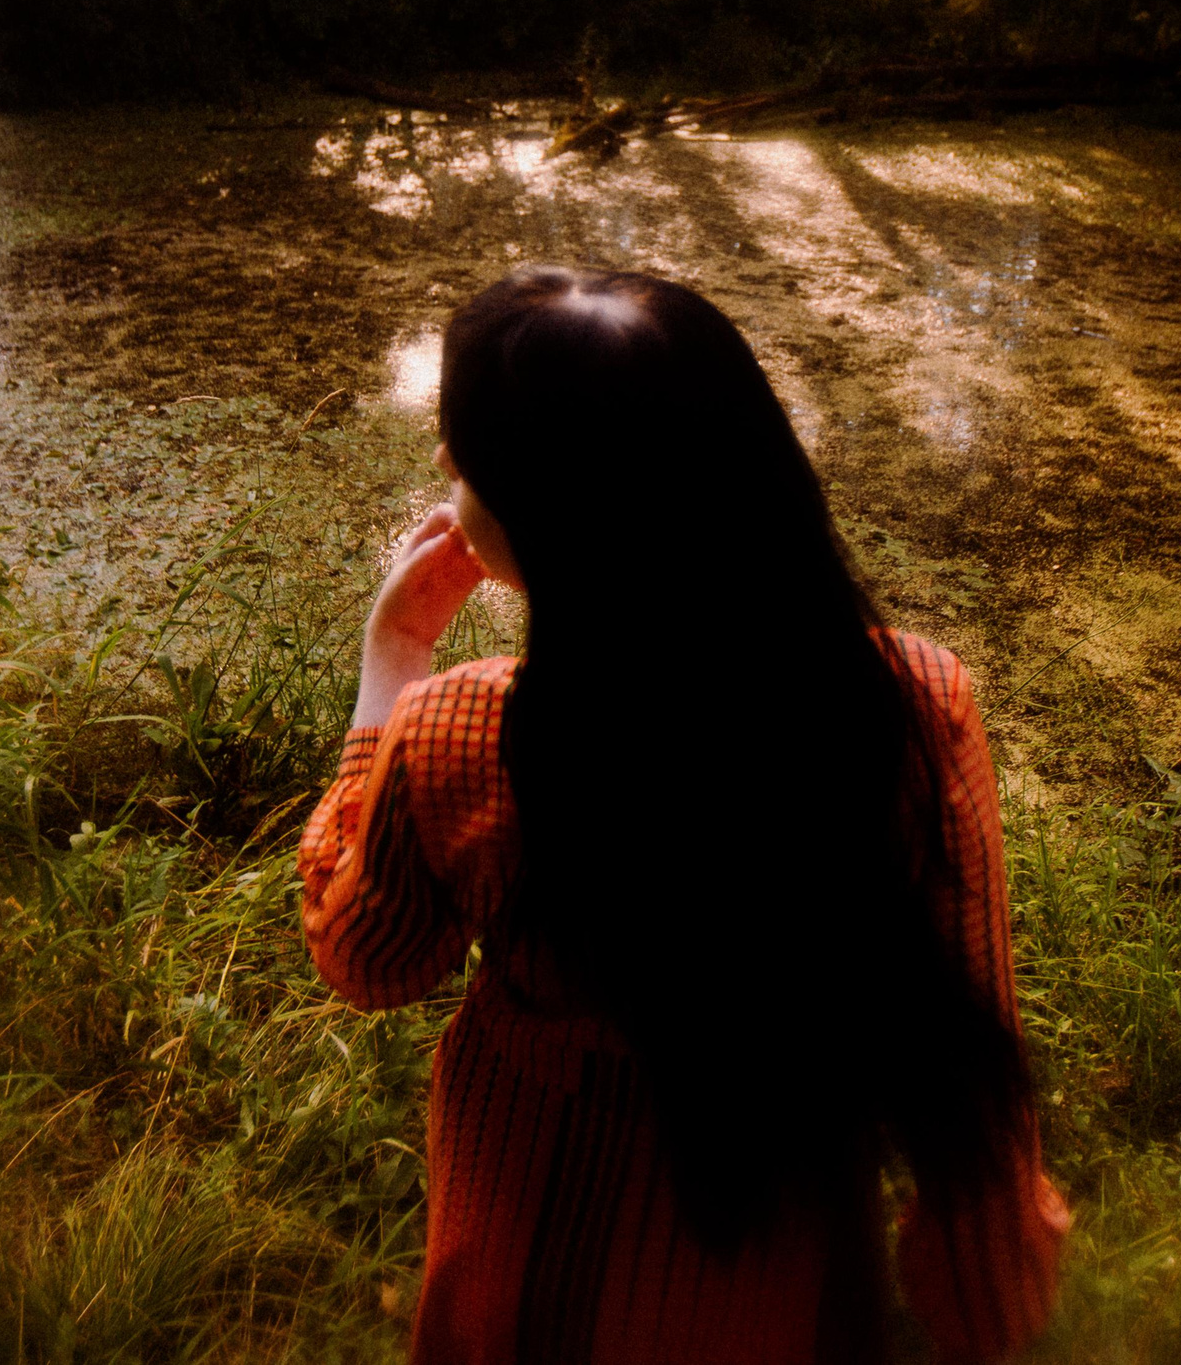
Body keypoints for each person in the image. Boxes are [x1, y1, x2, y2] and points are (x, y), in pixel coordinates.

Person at [301, 266, 1069, 1365]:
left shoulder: (461, 730)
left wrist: (391, 669)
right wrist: (992, 1312)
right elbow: (972, 1092)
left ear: (555, 522)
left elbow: (364, 954)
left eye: (464, 454)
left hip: (523, 1290)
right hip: (785, 1300)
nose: (443, 466)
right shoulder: (904, 706)